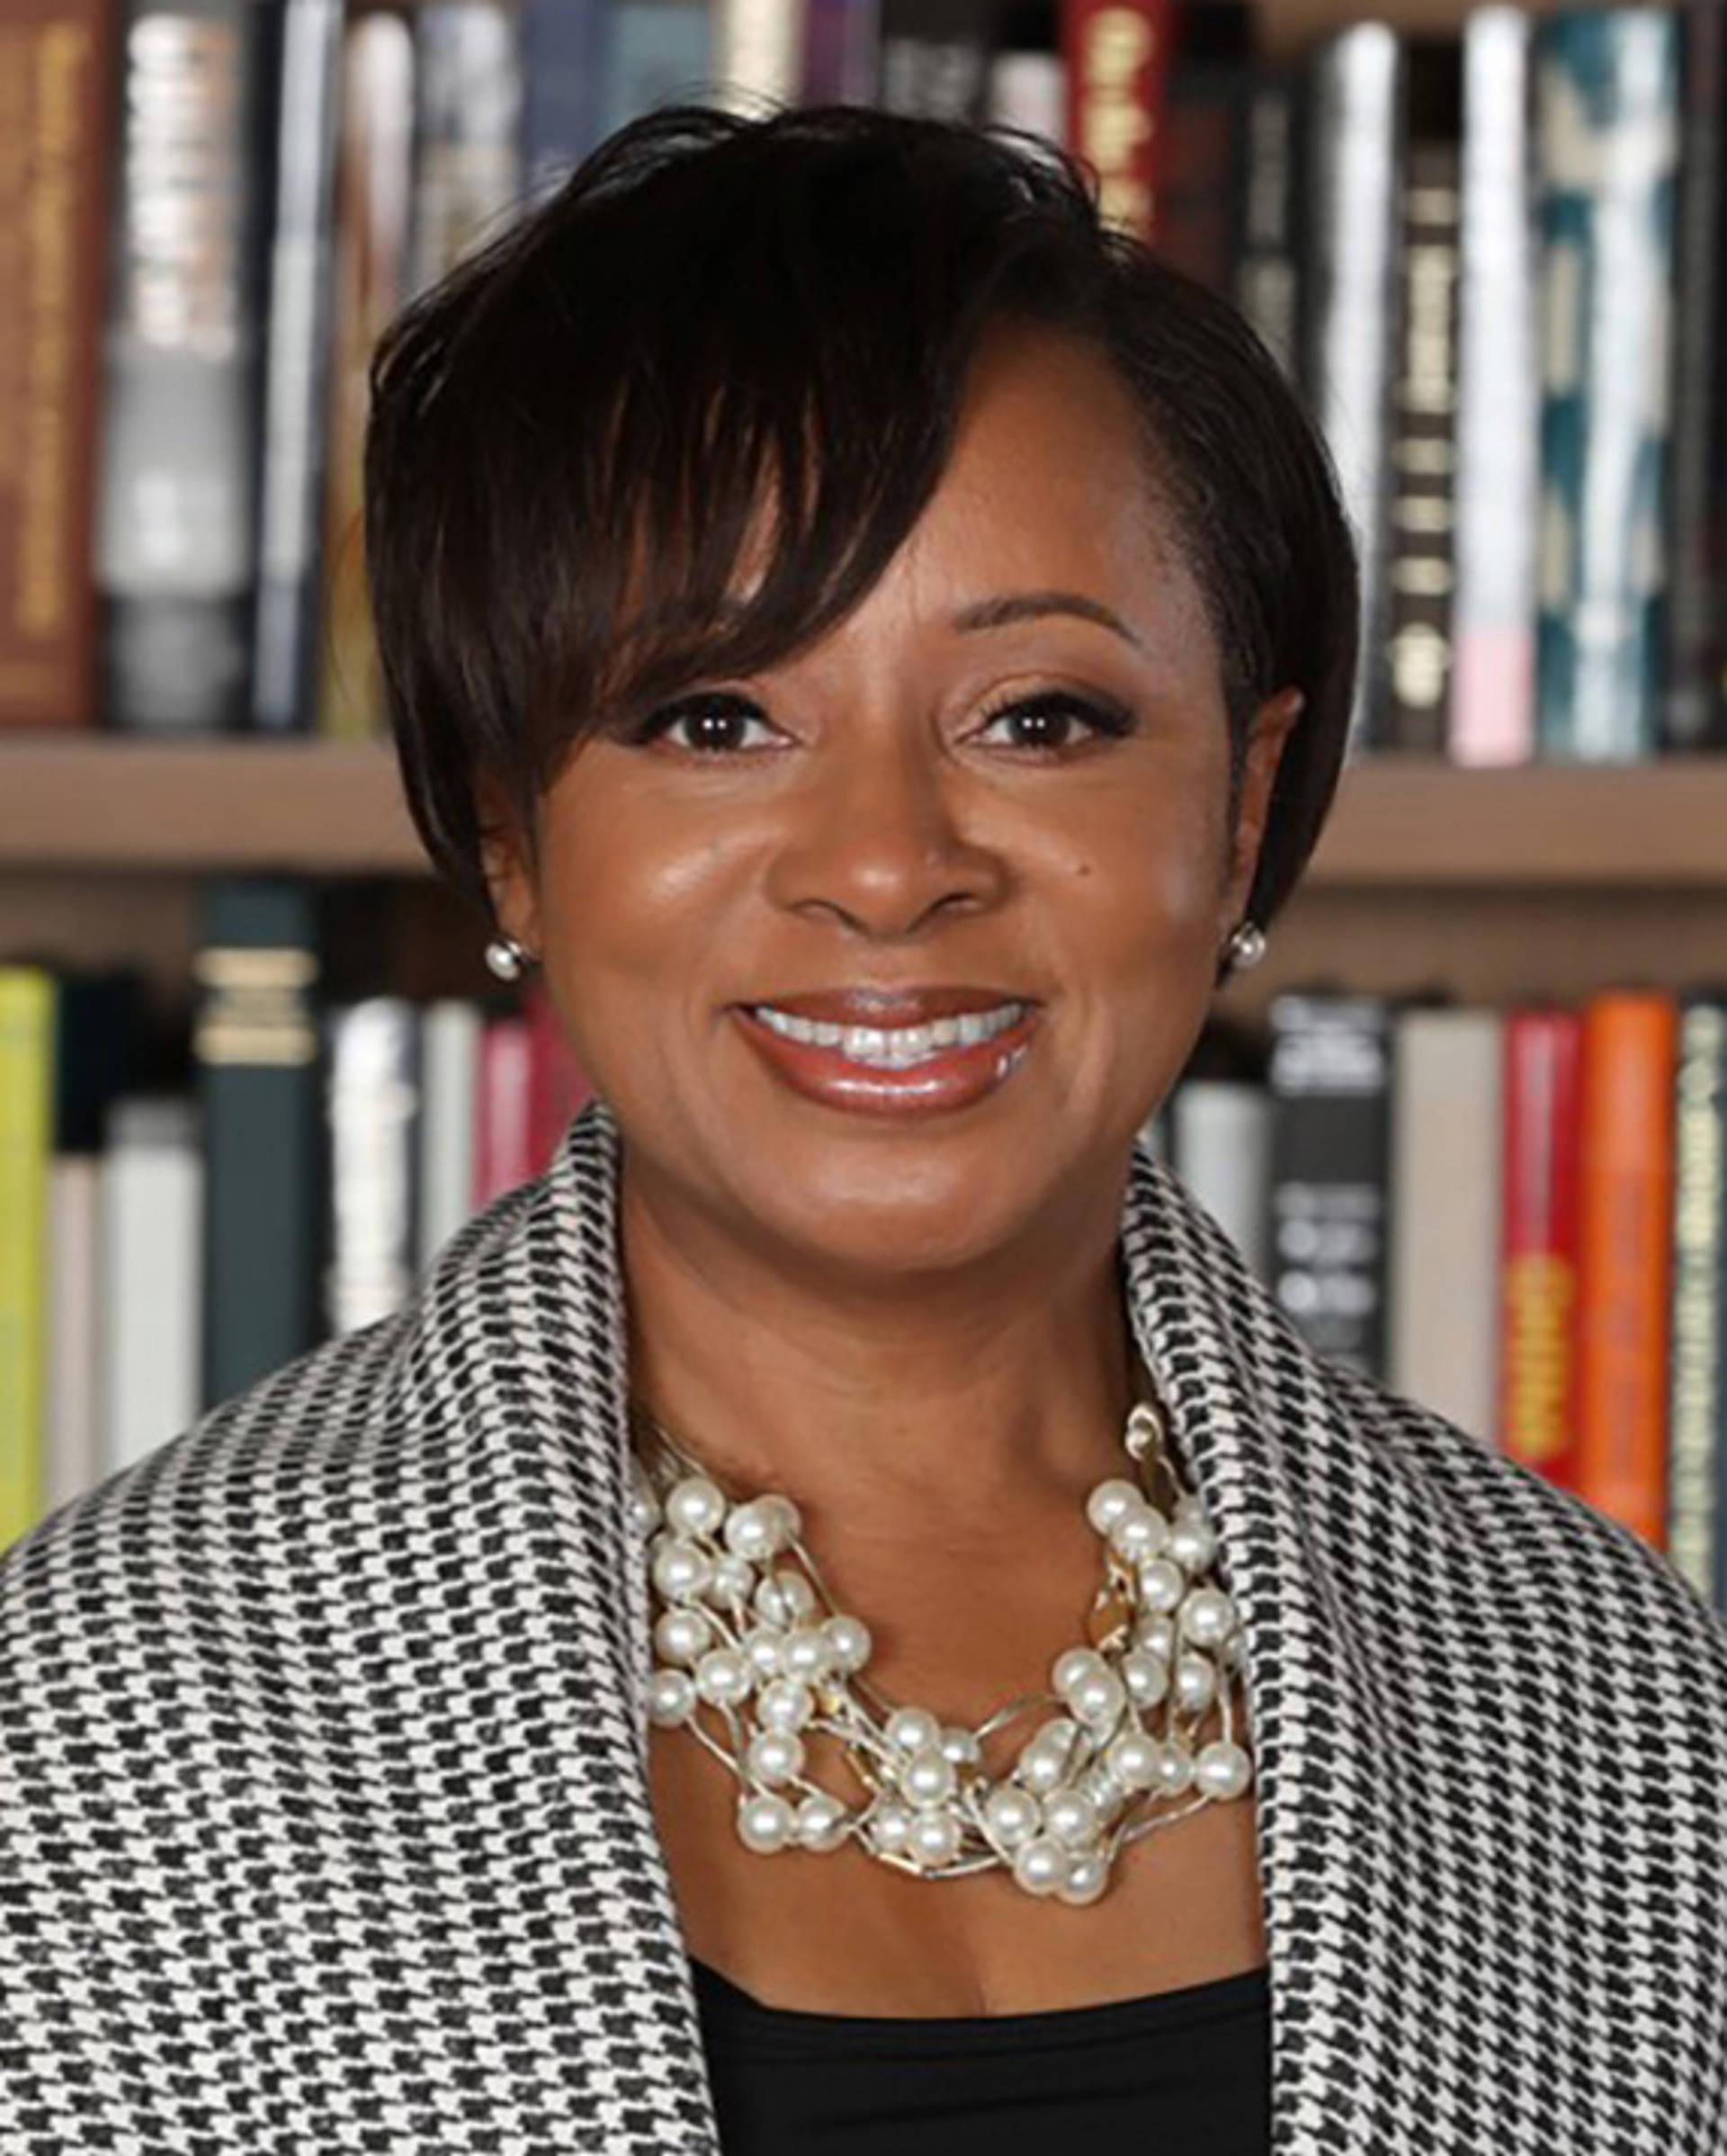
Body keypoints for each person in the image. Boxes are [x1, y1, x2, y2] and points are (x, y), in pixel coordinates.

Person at [3, 103, 1724, 2156]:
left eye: (1039, 717)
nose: (890, 866)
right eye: (714, 716)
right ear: (507, 830)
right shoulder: (100, 1714)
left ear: (1242, 803)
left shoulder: (1615, 1695)